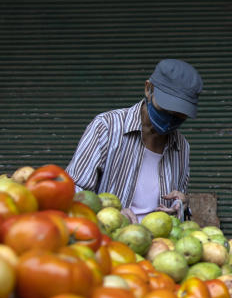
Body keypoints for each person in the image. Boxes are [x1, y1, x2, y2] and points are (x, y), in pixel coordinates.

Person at [66, 59, 203, 223]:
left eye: (179, 115)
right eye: (166, 109)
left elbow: (177, 207)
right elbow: (73, 191)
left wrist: (181, 204)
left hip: (159, 245)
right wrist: (109, 213)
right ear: (148, 89)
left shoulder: (181, 147)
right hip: (108, 242)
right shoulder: (106, 127)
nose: (170, 120)